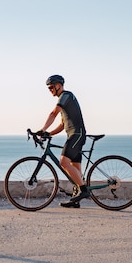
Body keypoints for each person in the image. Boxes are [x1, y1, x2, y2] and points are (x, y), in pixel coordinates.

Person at [37, 74, 89, 208]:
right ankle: (76, 200)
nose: (50, 90)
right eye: (48, 88)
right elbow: (62, 125)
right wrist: (48, 133)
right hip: (74, 134)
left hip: (76, 134)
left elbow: (53, 113)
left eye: (51, 87)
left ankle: (84, 191)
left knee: (63, 162)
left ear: (58, 85)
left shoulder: (65, 96)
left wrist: (43, 129)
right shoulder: (64, 102)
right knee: (75, 168)